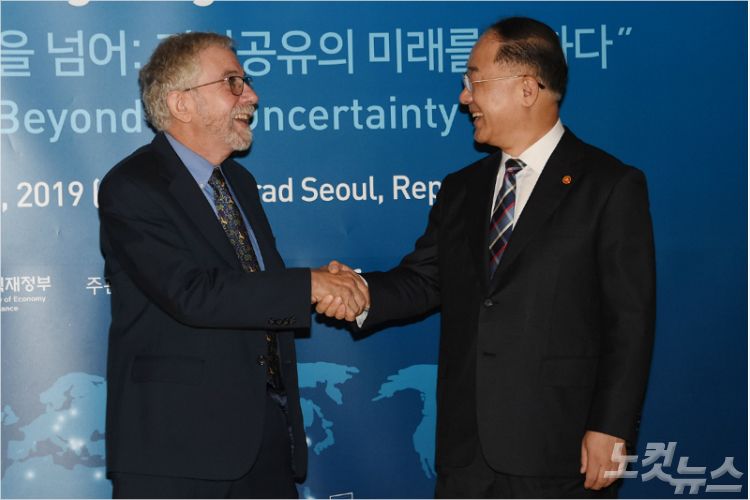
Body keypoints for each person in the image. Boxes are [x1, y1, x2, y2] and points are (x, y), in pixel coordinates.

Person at [323, 16, 655, 498]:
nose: (465, 98)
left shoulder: (608, 186)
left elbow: (630, 320)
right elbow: (425, 280)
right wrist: (359, 293)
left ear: (527, 88)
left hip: (559, 448)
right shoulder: (463, 188)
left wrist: (611, 426)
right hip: (466, 455)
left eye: (474, 81)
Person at [98, 32, 367, 499]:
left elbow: (258, 289)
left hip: (263, 439)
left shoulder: (239, 182)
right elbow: (193, 294)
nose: (252, 96)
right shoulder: (133, 186)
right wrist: (309, 285)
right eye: (233, 82)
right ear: (181, 103)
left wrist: (326, 286)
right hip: (177, 452)